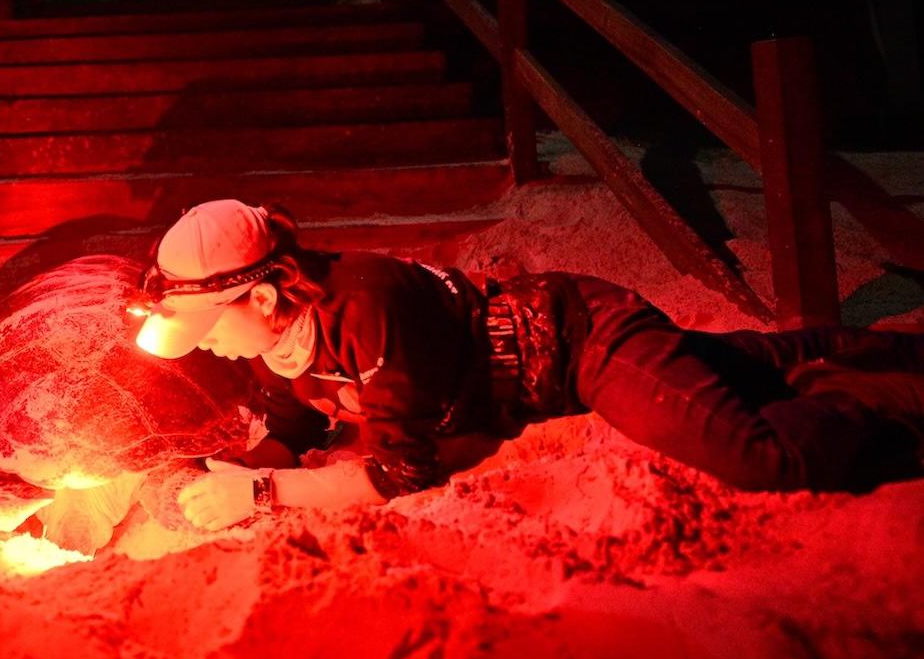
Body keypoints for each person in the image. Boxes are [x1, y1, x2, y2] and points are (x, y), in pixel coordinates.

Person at [130, 200, 924, 531]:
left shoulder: (365, 301)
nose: (199, 340)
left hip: (580, 344)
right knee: (746, 363)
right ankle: (881, 350)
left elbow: (403, 474)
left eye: (205, 321)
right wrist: (220, 473)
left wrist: (260, 493)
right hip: (542, 379)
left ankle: (882, 411)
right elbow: (296, 426)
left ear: (265, 298)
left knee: (755, 455)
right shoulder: (272, 344)